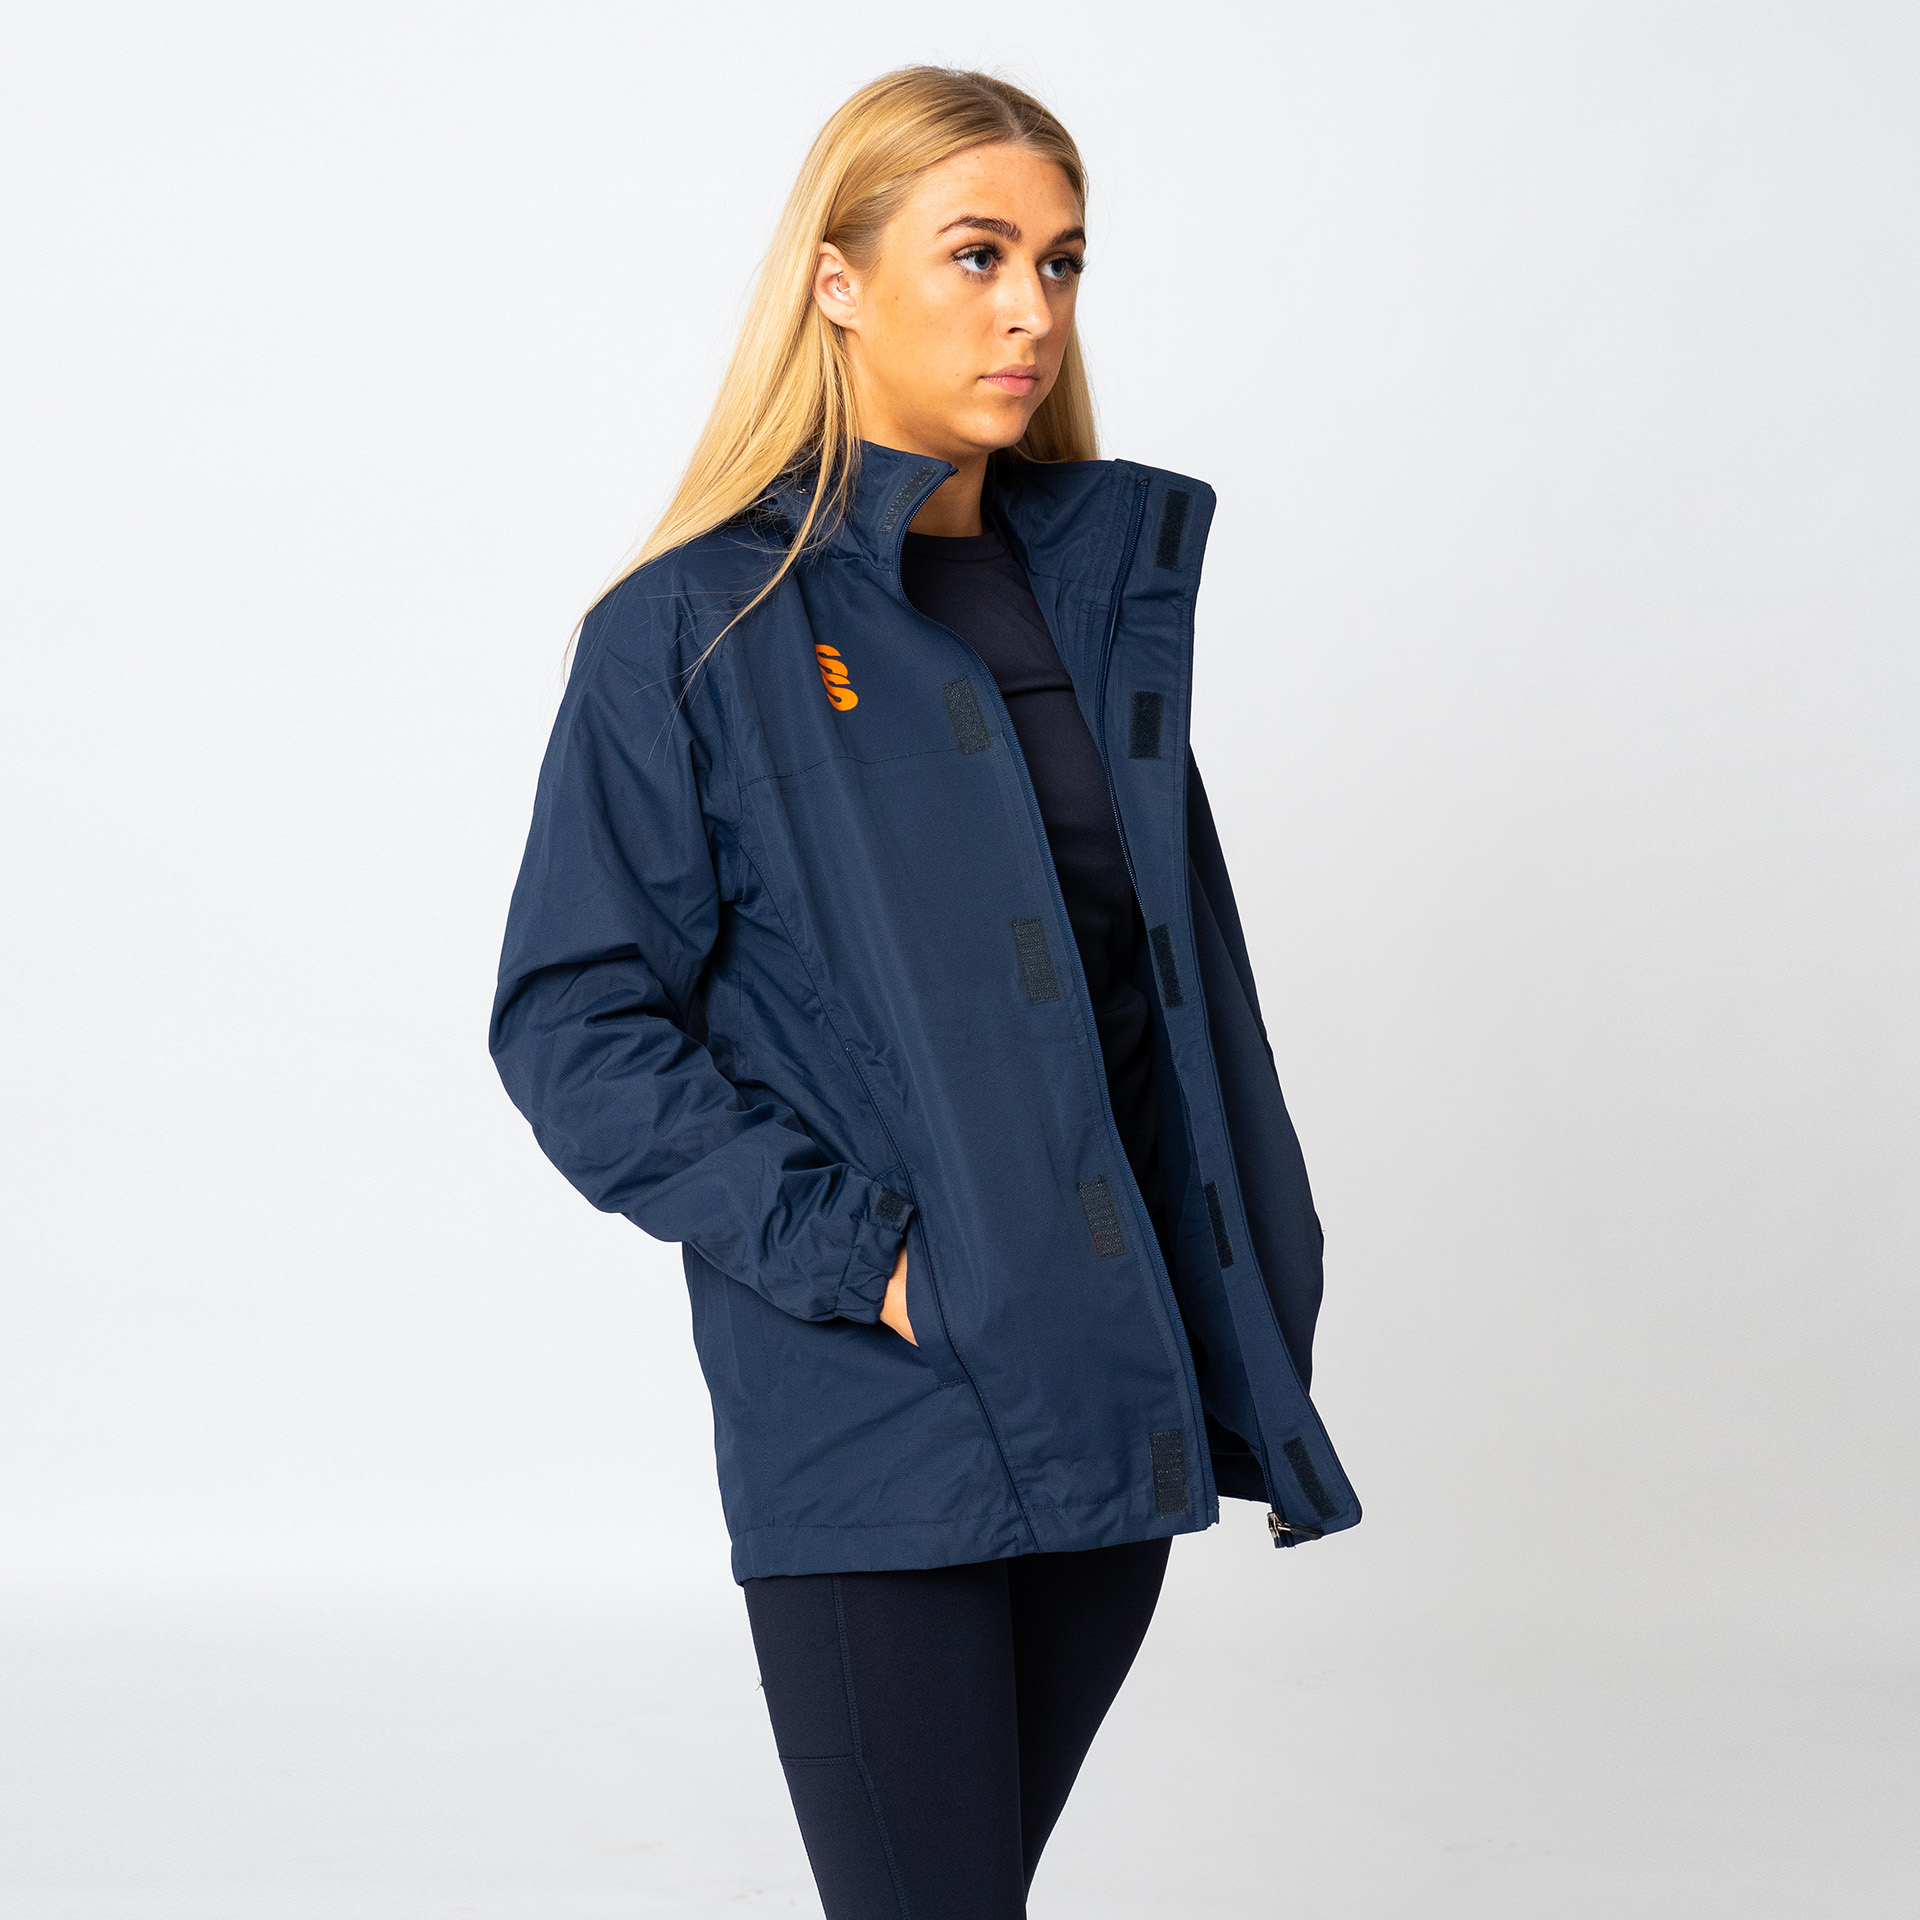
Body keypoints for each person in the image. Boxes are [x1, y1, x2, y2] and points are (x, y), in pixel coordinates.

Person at [489, 63, 1360, 1920]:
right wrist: (872, 1260)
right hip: (871, 1406)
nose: (1030, 309)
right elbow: (574, 1023)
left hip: (1107, 1378)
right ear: (837, 278)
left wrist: (1244, 1276)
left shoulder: (1096, 603)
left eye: (1061, 261)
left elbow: (1151, 993)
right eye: (976, 255)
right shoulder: (695, 629)